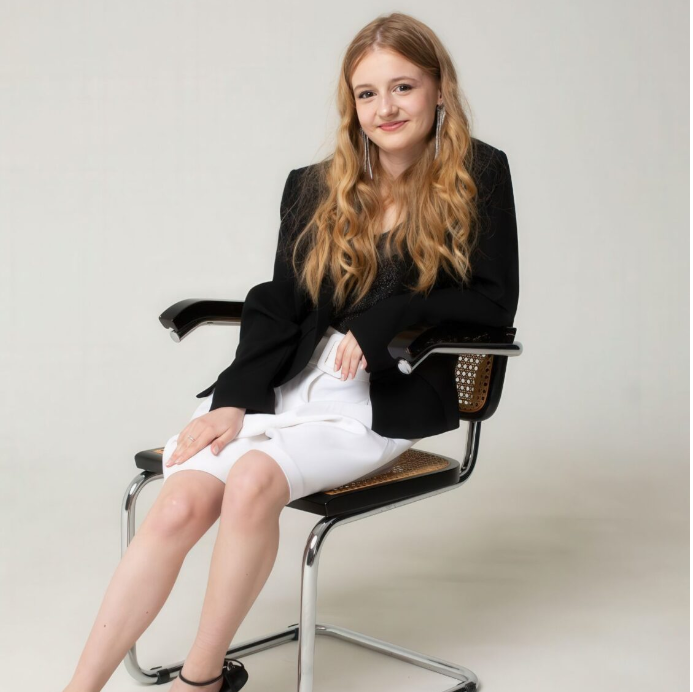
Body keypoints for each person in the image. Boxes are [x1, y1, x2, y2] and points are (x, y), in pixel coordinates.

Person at [62, 11, 519, 692]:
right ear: (350, 104)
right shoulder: (313, 185)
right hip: (287, 384)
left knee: (252, 481)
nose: (386, 108)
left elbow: (491, 303)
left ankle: (201, 680)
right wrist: (235, 399)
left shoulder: (478, 173)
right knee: (179, 502)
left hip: (377, 397)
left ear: (438, 89)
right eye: (367, 93)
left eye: (403, 87)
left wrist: (393, 317)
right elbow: (281, 300)